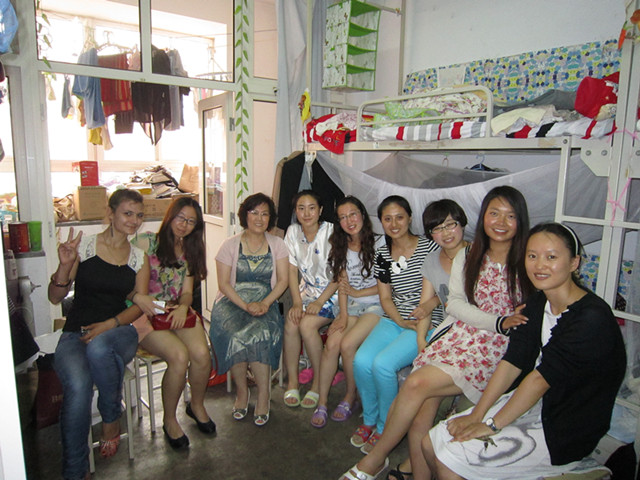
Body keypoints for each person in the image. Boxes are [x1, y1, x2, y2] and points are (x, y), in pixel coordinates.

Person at [342, 186, 533, 480]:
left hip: (489, 345)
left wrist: (500, 323)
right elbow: (451, 302)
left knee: (413, 383)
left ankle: (376, 457)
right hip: (455, 335)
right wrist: (417, 331)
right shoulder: (469, 255)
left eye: (510, 215)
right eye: (494, 213)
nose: (500, 222)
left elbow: (440, 303)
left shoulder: (527, 261)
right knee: (417, 410)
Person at [424, 222, 626, 480]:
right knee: (430, 442)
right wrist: (477, 413)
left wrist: (490, 425)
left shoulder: (591, 318)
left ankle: (576, 468)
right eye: (532, 256)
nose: (539, 265)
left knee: (451, 461)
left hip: (565, 424)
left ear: (574, 263)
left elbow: (540, 379)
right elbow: (513, 361)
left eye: (551, 257)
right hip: (532, 404)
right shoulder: (538, 302)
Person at [50, 189, 148, 480]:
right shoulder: (86, 247)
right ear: (110, 213)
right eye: (127, 213)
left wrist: (108, 324)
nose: (134, 221)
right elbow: (55, 297)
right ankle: (76, 472)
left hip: (119, 332)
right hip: (76, 334)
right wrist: (65, 266)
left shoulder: (139, 258)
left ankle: (110, 416)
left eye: (139, 215)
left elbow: (140, 305)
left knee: (99, 346)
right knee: (79, 388)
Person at [349, 195, 439, 456]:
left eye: (399, 217)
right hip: (395, 318)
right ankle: (369, 420)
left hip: (427, 321)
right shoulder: (382, 254)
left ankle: (385, 427)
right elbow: (385, 297)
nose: (394, 224)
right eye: (387, 219)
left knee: (383, 365)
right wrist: (399, 319)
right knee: (361, 360)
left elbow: (443, 290)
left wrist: (420, 313)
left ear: (409, 218)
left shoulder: (430, 247)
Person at [131, 196, 215, 449]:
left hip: (174, 311)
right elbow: (123, 280)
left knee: (202, 354)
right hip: (143, 314)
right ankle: (169, 419)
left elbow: (187, 291)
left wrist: (183, 307)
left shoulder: (190, 249)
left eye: (191, 221)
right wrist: (141, 301)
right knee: (179, 356)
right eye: (180, 218)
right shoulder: (146, 242)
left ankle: (196, 405)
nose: (184, 225)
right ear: (170, 216)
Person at [209, 193, 289, 426]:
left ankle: (263, 394)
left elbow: (283, 281)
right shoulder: (229, 244)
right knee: (234, 334)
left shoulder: (278, 244)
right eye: (254, 212)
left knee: (261, 334)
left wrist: (265, 303)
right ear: (245, 215)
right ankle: (242, 392)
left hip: (266, 301)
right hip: (232, 301)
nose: (259, 218)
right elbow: (224, 284)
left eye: (265, 214)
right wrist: (245, 305)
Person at [310, 196, 385, 428]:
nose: (349, 221)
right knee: (332, 344)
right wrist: (342, 316)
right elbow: (342, 286)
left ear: (362, 214)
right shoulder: (340, 246)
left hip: (376, 305)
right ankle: (322, 402)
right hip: (351, 306)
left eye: (352, 214)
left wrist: (358, 292)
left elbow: (387, 286)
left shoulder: (381, 243)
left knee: (348, 344)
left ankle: (350, 396)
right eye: (343, 217)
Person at [282, 190, 339, 409]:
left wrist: (319, 302)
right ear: (295, 211)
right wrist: (297, 302)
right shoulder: (292, 232)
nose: (306, 213)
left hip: (332, 294)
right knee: (291, 323)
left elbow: (339, 274)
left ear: (321, 210)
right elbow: (291, 270)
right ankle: (293, 381)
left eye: (312, 208)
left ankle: (317, 382)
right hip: (306, 292)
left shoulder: (332, 232)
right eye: (301, 208)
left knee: (306, 326)